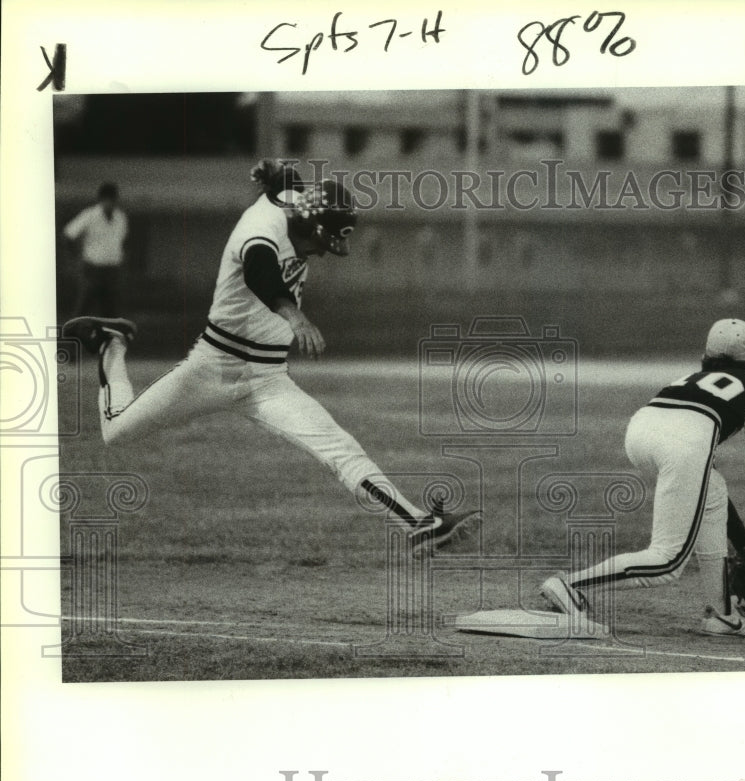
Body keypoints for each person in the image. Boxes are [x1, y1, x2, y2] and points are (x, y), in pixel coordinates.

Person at [63, 159, 480, 558]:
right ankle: (112, 345)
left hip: (268, 379)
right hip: (213, 367)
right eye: (322, 242)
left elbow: (287, 181)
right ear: (309, 225)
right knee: (116, 431)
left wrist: (276, 172)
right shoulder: (262, 226)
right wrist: (294, 315)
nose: (322, 252)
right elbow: (259, 271)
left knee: (341, 448)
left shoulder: (298, 206)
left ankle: (419, 525)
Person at [539, 318, 745, 637]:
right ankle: (569, 585)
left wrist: (744, 546)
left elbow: (698, 479)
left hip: (640, 432)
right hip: (685, 443)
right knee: (668, 561)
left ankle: (722, 613)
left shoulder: (690, 379)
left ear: (705, 357)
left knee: (712, 490)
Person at [63, 181, 129, 318]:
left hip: (113, 269)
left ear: (116, 200)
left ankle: (107, 331)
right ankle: (74, 331)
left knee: (110, 310)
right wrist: (74, 258)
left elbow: (122, 240)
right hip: (93, 269)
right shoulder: (90, 215)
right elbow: (69, 234)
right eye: (106, 199)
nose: (109, 203)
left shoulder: (120, 217)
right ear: (101, 199)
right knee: (84, 307)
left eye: (112, 200)